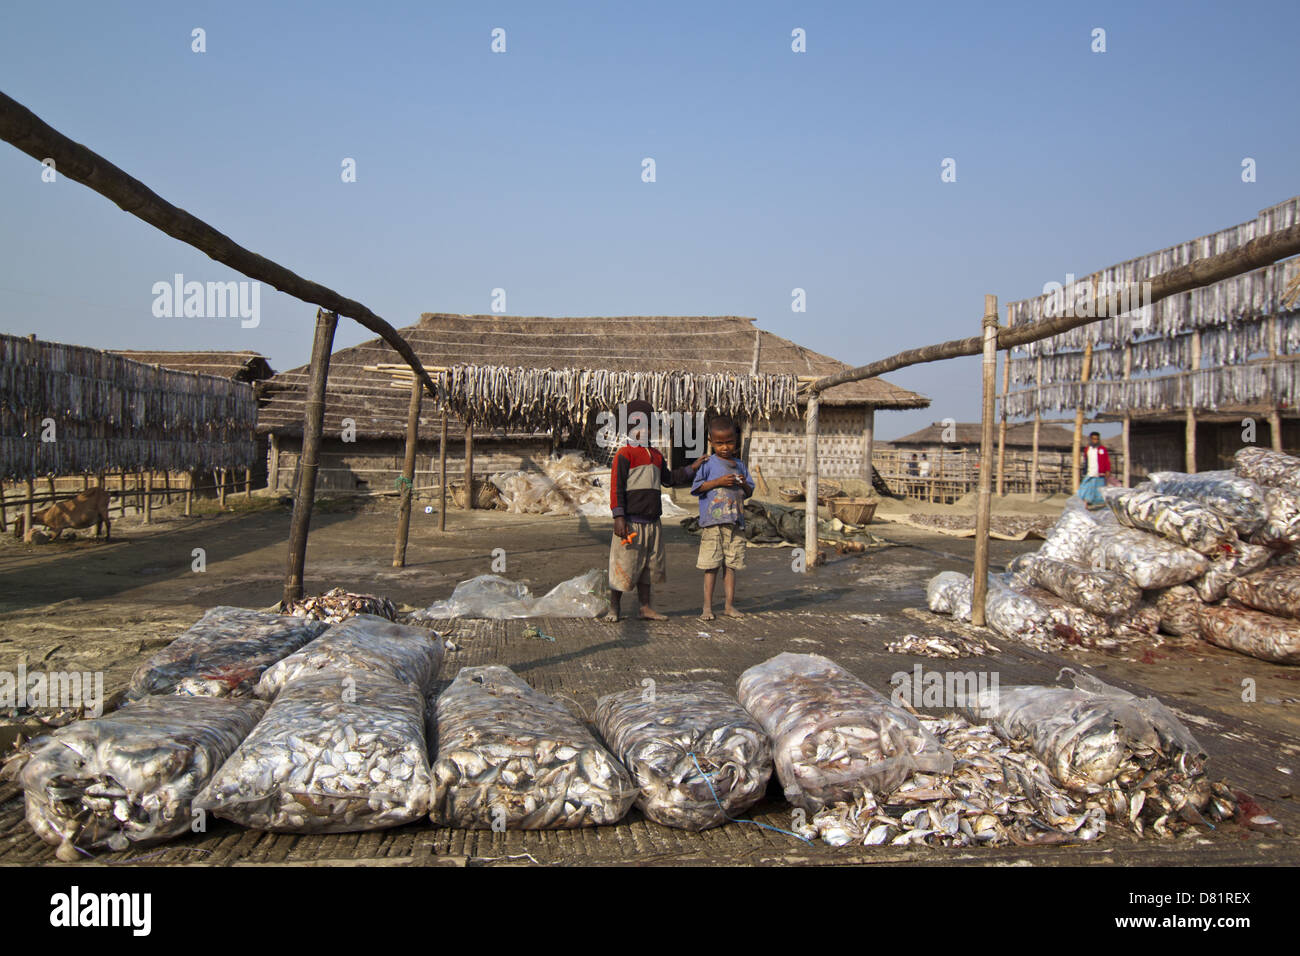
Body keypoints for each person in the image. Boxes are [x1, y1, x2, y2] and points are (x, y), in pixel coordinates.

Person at [603, 399, 704, 622]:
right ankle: (614, 607)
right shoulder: (624, 455)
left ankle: (645, 607)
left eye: (648, 426)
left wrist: (692, 469)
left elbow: (669, 480)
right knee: (624, 565)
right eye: (637, 426)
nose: (644, 430)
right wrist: (619, 516)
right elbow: (616, 489)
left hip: (652, 523)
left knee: (649, 566)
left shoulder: (657, 456)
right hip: (630, 523)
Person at [692, 416, 754, 620]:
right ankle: (707, 608)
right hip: (713, 523)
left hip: (735, 522)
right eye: (719, 443)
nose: (725, 447)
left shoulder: (739, 465)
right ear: (711, 442)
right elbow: (697, 488)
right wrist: (718, 481)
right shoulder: (708, 464)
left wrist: (743, 483)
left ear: (736, 441)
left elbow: (749, 491)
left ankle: (729, 605)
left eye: (729, 442)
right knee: (711, 566)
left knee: (732, 565)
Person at [1078, 431, 1111, 508]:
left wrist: (1107, 470)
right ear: (1090, 439)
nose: (1095, 440)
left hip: (1099, 473)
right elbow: (1086, 460)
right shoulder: (1087, 449)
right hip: (1090, 472)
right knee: (1085, 487)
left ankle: (1099, 505)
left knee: (1099, 490)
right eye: (1093, 439)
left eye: (1096, 439)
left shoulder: (1102, 449)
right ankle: (1085, 503)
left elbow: (1106, 460)